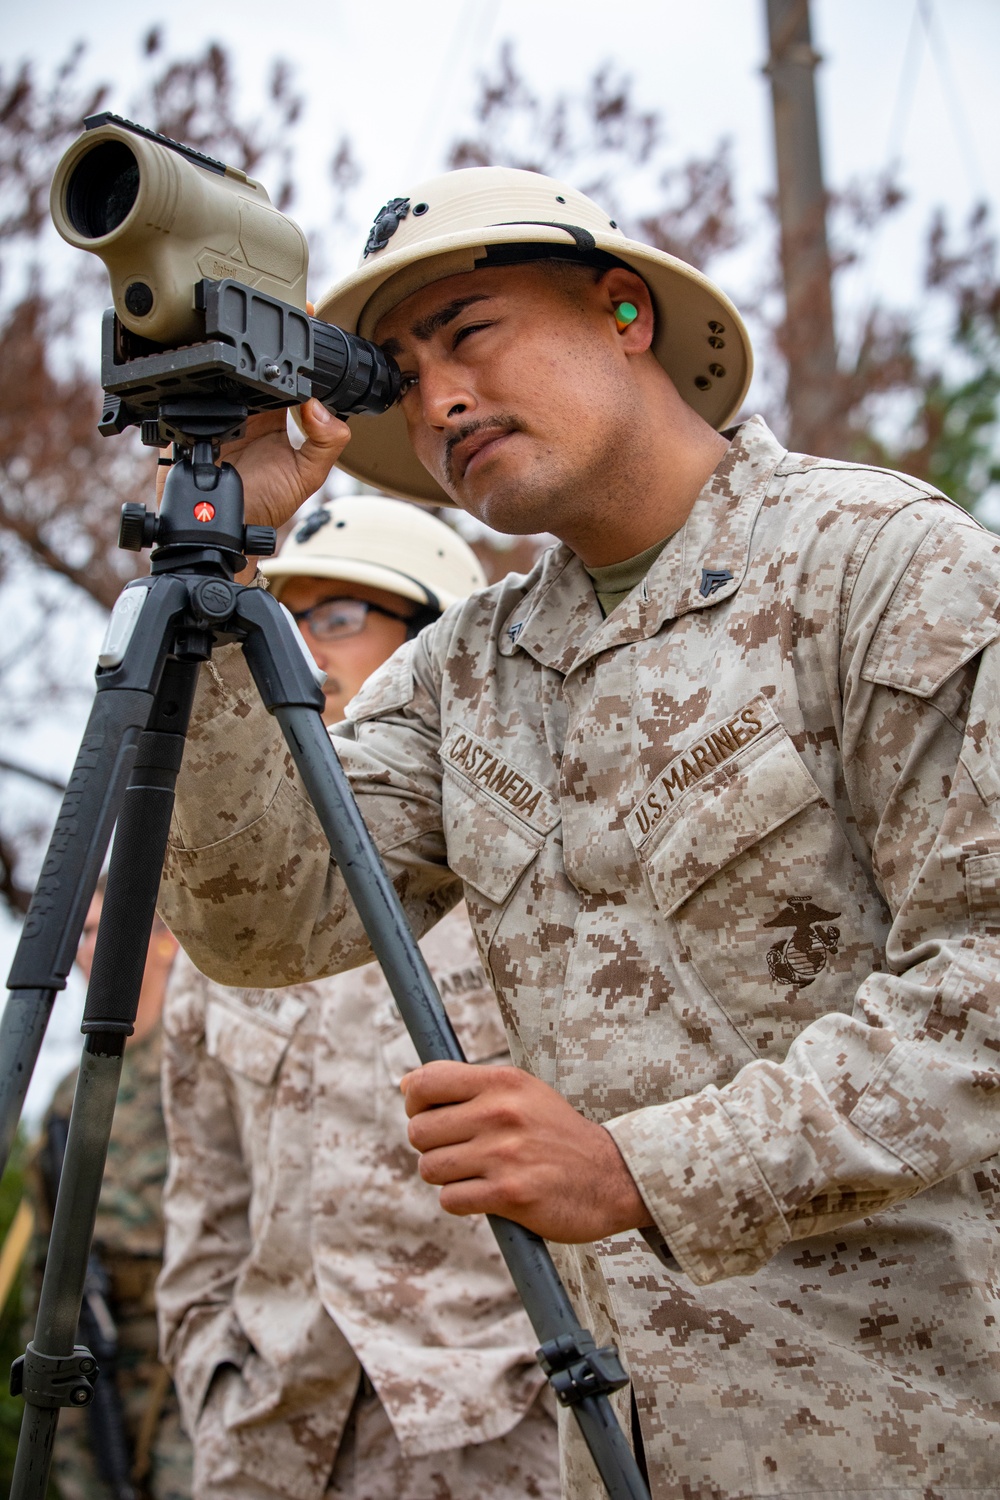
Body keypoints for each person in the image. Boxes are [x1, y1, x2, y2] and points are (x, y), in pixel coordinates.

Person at [157, 166, 1000, 1499]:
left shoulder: (883, 567)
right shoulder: (469, 672)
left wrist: (639, 1170)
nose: (437, 400)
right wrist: (213, 571)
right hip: (619, 1445)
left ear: (625, 313)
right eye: (399, 369)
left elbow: (986, 982)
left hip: (905, 1436)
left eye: (472, 329)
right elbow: (266, 925)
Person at [156, 495, 560, 1500]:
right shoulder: (233, 929)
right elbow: (203, 1208)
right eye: (284, 621)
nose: (302, 652)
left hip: (495, 1445)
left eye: (340, 616)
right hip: (266, 1448)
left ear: (442, 651)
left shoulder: (541, 892)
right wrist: (215, 1374)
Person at [30, 883, 191, 1500]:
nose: (89, 947)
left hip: (181, 1346)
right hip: (88, 1351)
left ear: (167, 942)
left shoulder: (197, 1068)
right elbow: (47, 1249)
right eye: (85, 932)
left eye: (107, 929)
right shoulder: (71, 1094)